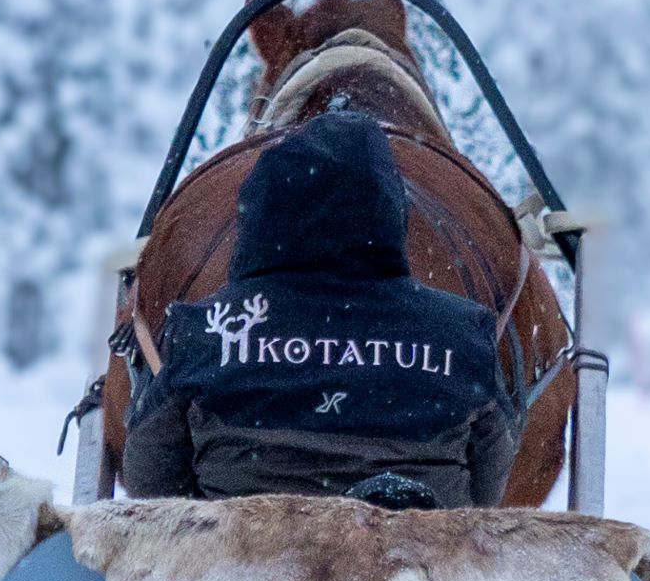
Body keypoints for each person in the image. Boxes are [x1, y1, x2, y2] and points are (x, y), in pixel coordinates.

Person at [121, 106, 517, 508]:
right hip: (415, 562)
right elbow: (487, 486)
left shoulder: (206, 329)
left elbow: (149, 480)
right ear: (389, 210)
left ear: (262, 210)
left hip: (244, 560)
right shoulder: (463, 334)